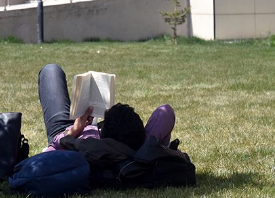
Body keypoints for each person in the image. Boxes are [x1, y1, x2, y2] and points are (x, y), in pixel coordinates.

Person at [38, 63, 174, 152]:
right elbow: (165, 112)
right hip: (85, 129)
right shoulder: (141, 147)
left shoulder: (86, 148)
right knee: (52, 70)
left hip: (66, 135)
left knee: (50, 70)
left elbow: (47, 153)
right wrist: (145, 144)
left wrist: (75, 130)